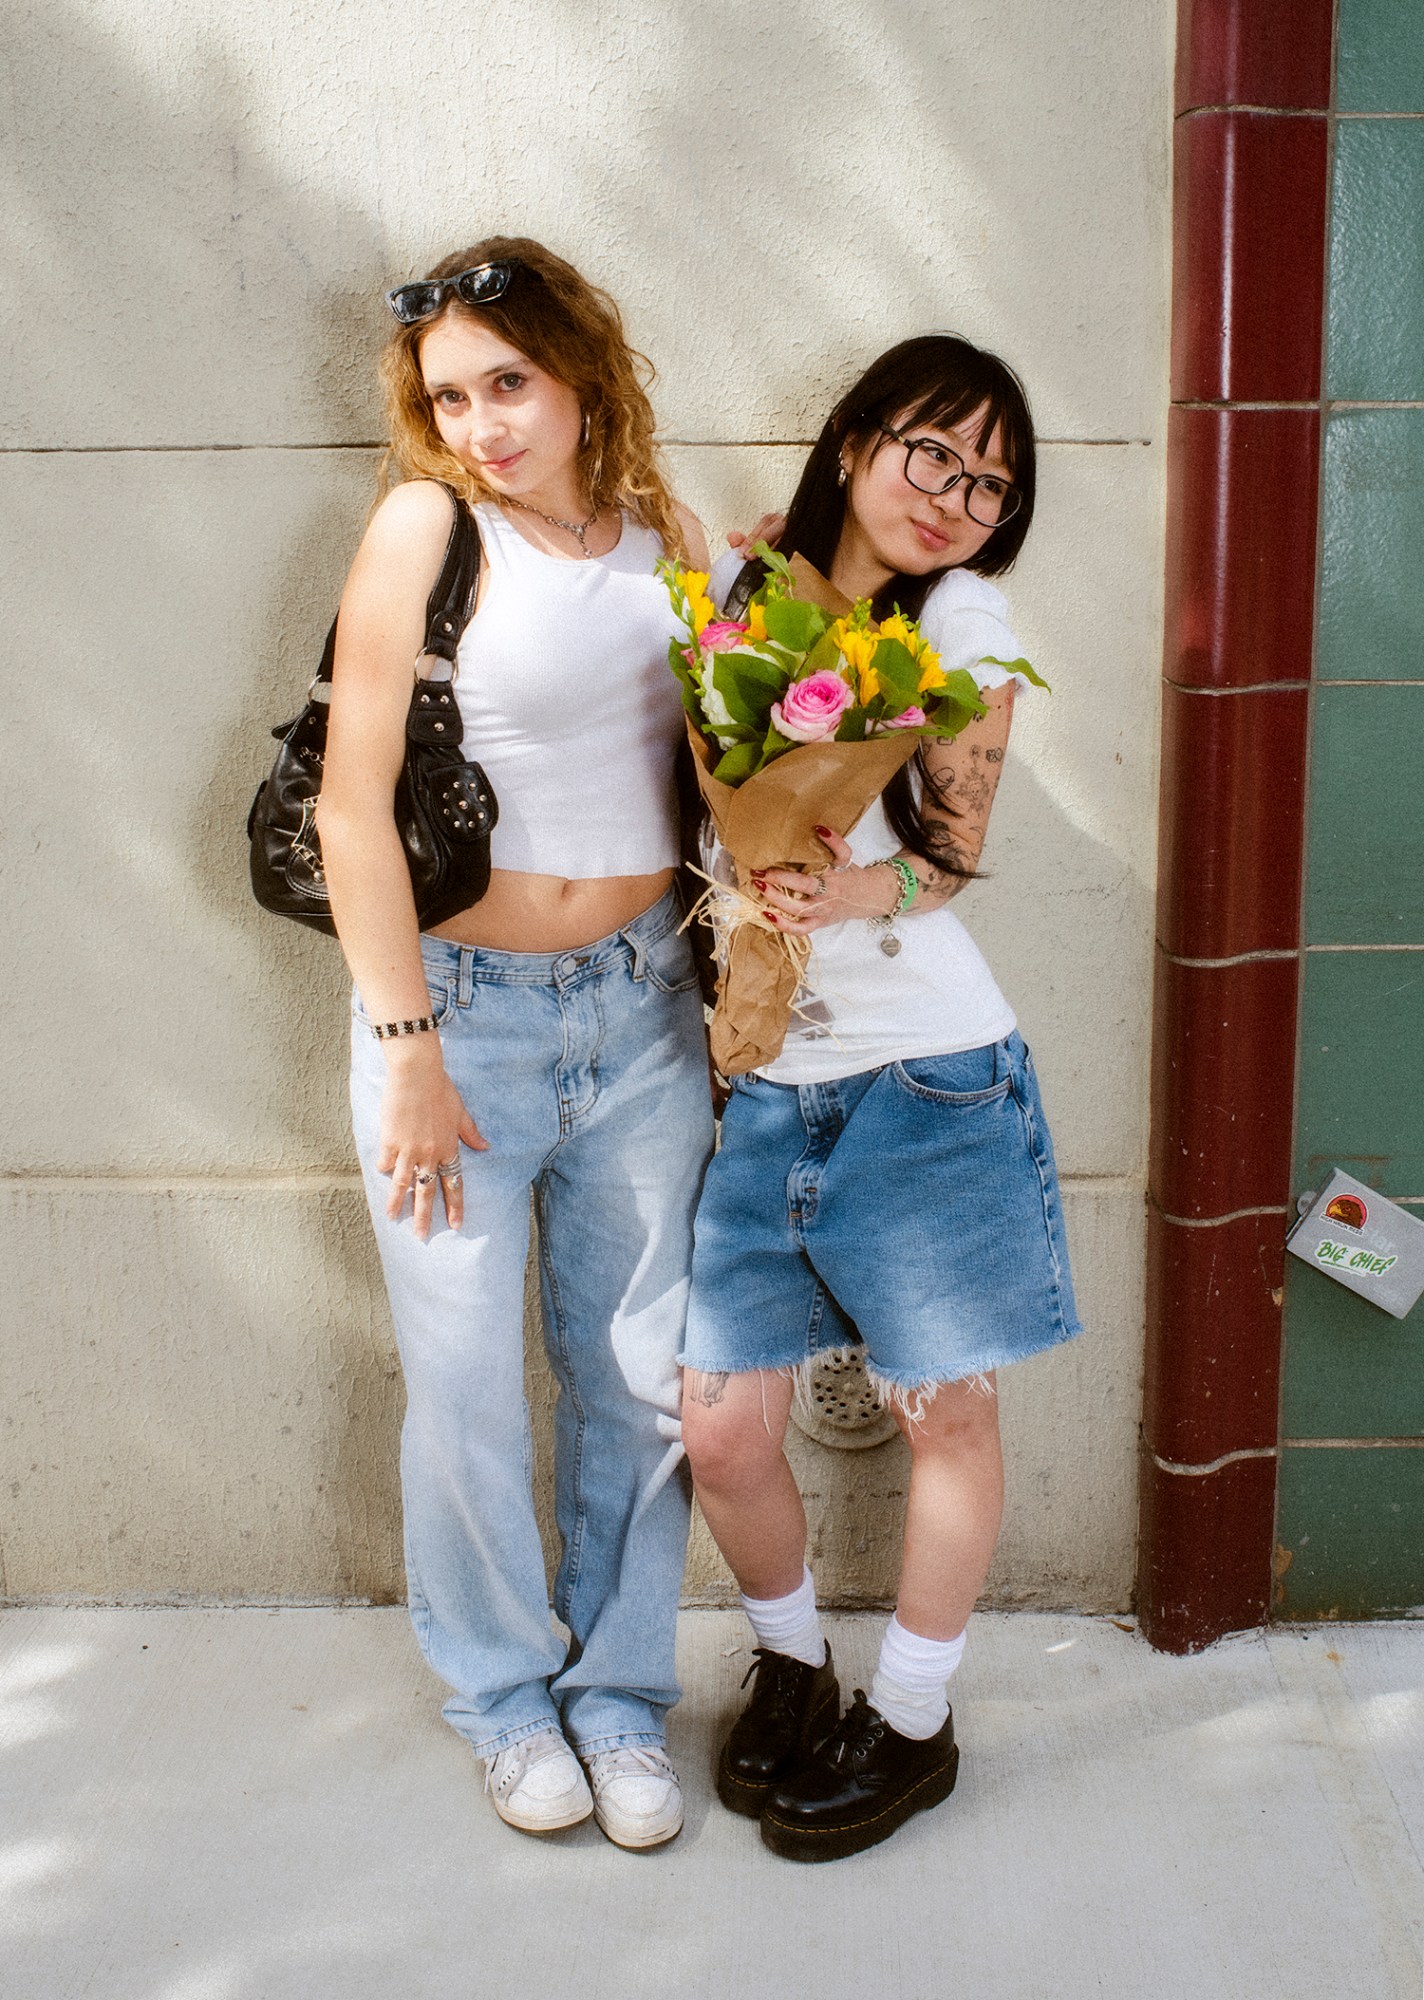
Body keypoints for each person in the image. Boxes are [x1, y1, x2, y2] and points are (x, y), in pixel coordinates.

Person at [316, 238, 715, 1849]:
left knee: (638, 1384)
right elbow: (352, 805)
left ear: (579, 371)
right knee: (467, 1385)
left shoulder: (665, 540)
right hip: (460, 1027)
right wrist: (404, 1038)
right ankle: (500, 1697)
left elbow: (719, 771)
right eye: (450, 398)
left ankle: (618, 1697)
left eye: (510, 384)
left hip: (644, 1017)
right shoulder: (429, 528)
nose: (481, 424)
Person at [680, 334, 1082, 1862]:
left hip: (925, 1082)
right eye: (937, 453)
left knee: (946, 1416)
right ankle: (793, 1671)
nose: (961, 498)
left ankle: (911, 1723)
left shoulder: (963, 621)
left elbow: (953, 857)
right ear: (854, 440)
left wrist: (846, 889)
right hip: (769, 1081)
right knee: (720, 1426)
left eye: (993, 482)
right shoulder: (748, 598)